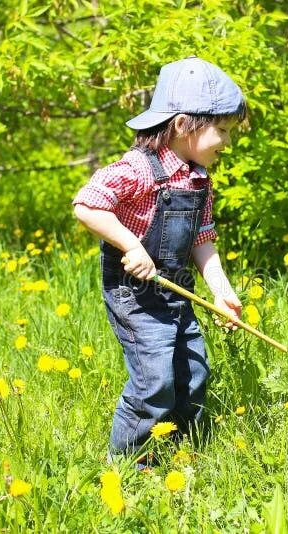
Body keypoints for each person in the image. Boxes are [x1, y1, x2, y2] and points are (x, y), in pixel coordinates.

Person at [72, 56, 246, 467]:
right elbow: (87, 205)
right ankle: (129, 466)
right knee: (156, 380)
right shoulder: (137, 168)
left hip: (175, 289)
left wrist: (223, 293)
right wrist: (131, 246)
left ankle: (178, 453)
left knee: (194, 372)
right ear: (185, 124)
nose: (227, 142)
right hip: (134, 294)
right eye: (221, 130)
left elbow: (202, 239)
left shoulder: (198, 177)